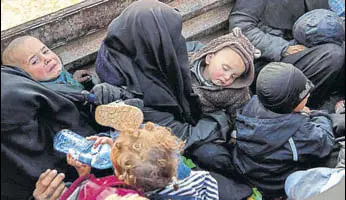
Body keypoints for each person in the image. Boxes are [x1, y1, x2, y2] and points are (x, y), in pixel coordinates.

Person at [95, 1, 253, 199]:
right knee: (213, 155)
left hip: (182, 124)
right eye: (173, 36)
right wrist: (220, 120)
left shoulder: (137, 47)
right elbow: (180, 136)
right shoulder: (135, 93)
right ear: (157, 41)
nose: (178, 41)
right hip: (166, 145)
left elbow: (190, 53)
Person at [1, 36, 137, 199]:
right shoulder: (42, 114)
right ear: (24, 77)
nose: (47, 59)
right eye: (34, 61)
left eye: (45, 51)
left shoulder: (60, 87)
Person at [231, 62, 336, 198]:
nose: (308, 96)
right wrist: (318, 115)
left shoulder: (251, 105)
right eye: (305, 96)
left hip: (251, 172)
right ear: (291, 104)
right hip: (278, 184)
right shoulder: (299, 134)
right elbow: (325, 141)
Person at [229, 0, 345, 109]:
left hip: (308, 45)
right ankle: (302, 110)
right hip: (269, 61)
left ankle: (335, 104)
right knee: (333, 56)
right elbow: (240, 27)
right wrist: (283, 48)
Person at [61, 122, 220, 200]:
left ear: (122, 179)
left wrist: (83, 176)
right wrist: (114, 145)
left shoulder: (133, 195)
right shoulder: (201, 180)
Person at [189, 26, 260, 121]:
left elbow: (241, 117)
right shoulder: (186, 64)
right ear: (209, 58)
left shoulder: (237, 94)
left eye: (234, 76)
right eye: (225, 68)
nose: (227, 77)